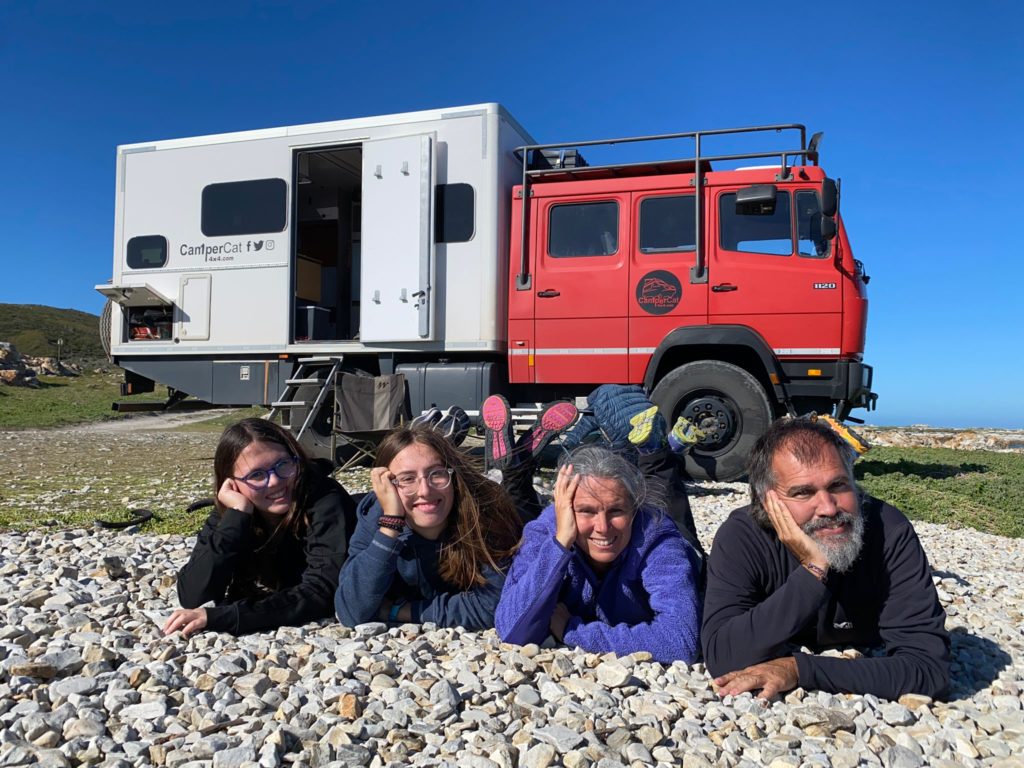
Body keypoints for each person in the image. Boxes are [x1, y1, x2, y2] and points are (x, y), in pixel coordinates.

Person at [701, 417, 950, 700]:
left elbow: (929, 669)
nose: (829, 508)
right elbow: (723, 657)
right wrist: (814, 569)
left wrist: (800, 669)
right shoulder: (743, 536)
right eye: (803, 492)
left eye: (838, 486)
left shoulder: (889, 531)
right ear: (767, 502)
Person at [333, 398, 578, 630]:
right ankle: (515, 464)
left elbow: (500, 603)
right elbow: (351, 611)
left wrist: (404, 612)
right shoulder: (378, 515)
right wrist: (390, 525)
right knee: (510, 487)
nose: (425, 490)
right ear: (386, 485)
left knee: (519, 499)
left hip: (517, 516)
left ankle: (516, 468)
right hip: (492, 498)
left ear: (452, 475)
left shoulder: (484, 512)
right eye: (407, 479)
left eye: (436, 474)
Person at [494, 443, 702, 664]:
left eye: (616, 510)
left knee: (679, 522)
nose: (602, 526)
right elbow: (511, 629)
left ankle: (656, 449)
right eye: (586, 511)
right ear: (564, 511)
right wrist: (561, 543)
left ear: (634, 508)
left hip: (680, 544)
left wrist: (573, 631)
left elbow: (681, 642)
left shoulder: (657, 539)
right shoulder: (547, 531)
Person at [164, 418, 354, 637]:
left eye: (283, 465)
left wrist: (229, 617)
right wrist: (237, 516)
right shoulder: (234, 507)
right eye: (256, 475)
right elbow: (193, 596)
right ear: (232, 483)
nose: (273, 481)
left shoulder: (324, 498)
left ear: (297, 459)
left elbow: (323, 591)